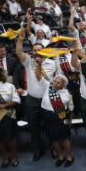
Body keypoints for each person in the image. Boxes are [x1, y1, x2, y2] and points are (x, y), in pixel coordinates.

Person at [15, 30, 56, 161]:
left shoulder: (52, 63)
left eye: (39, 49)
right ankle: (38, 149)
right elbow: (18, 52)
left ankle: (54, 148)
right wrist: (20, 38)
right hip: (32, 100)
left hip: (48, 99)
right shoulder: (29, 62)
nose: (37, 52)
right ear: (32, 52)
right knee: (34, 127)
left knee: (51, 126)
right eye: (34, 50)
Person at [37, 72, 75, 168]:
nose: (55, 83)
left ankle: (70, 156)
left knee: (64, 139)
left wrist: (70, 121)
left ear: (63, 85)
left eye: (58, 83)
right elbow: (38, 75)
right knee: (53, 139)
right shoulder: (48, 87)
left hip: (60, 117)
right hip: (47, 116)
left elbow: (71, 110)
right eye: (54, 81)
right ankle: (61, 156)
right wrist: (39, 65)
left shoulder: (67, 95)